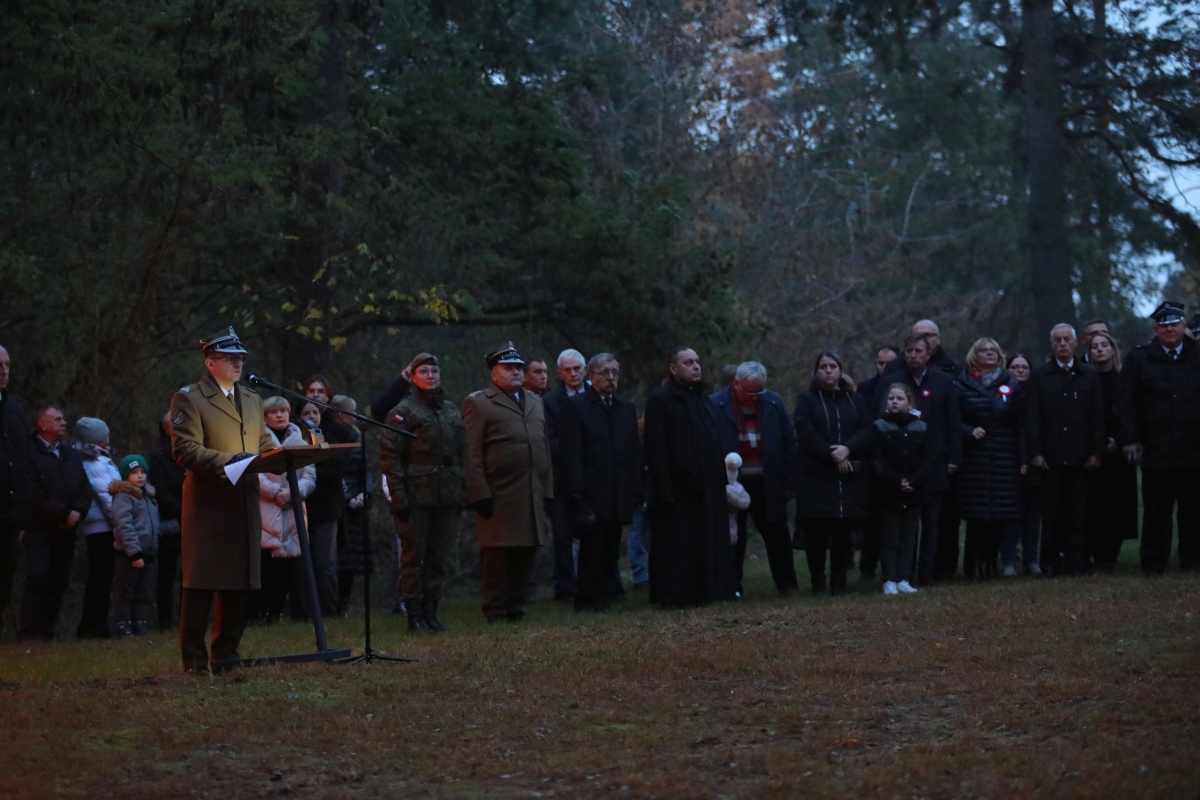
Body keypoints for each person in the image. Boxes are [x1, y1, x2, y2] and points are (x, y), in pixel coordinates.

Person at [170, 327, 275, 674]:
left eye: (241, 358)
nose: (238, 363)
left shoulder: (252, 399)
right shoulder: (190, 398)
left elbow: (262, 445)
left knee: (241, 582)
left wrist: (289, 452)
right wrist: (229, 461)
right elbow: (185, 449)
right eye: (230, 358)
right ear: (210, 362)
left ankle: (227, 656)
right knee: (201, 583)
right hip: (210, 503)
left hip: (244, 501)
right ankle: (195, 663)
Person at [462, 343, 553, 622]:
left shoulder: (535, 401)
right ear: (494, 374)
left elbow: (543, 447)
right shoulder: (479, 403)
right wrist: (479, 492)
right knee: (498, 555)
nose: (515, 372)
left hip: (530, 490)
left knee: (526, 551)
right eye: (508, 368)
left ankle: (515, 606)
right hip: (498, 492)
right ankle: (495, 609)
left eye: (518, 368)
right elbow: (472, 453)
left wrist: (547, 489)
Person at [380, 352, 468, 633]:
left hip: (448, 494)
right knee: (414, 558)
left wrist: (463, 490)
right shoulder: (403, 411)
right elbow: (390, 457)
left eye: (434, 371)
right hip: (416, 495)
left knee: (438, 557)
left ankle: (432, 613)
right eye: (424, 372)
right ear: (413, 377)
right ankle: (414, 616)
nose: (431, 376)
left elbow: (463, 453)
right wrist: (399, 497)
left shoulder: (452, 410)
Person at [644, 347, 734, 606]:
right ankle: (676, 595)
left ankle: (708, 590)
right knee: (679, 545)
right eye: (688, 362)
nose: (696, 366)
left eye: (697, 361)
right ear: (673, 369)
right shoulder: (661, 401)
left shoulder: (702, 398)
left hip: (707, 487)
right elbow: (656, 449)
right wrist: (665, 489)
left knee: (706, 540)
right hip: (678, 489)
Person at [1117, 301, 1200, 577]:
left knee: (1194, 511)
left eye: (1175, 324)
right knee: (1156, 512)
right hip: (1156, 448)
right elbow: (1125, 403)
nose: (1170, 330)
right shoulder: (1139, 359)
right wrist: (1129, 439)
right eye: (1164, 326)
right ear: (1156, 329)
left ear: (1184, 327)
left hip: (1193, 448)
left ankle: (1192, 561)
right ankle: (1154, 563)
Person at [874, 334, 962, 586]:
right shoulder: (891, 381)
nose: (913, 355)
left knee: (931, 521)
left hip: (931, 463)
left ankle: (927, 570)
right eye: (909, 350)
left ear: (929, 354)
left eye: (918, 351)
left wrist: (954, 456)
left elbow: (953, 421)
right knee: (898, 526)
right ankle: (899, 574)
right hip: (897, 464)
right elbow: (877, 414)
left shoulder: (943, 381)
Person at [561, 353, 644, 612]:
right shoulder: (577, 407)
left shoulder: (625, 408)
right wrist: (577, 494)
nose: (610, 377)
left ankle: (608, 594)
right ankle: (587, 599)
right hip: (591, 491)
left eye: (614, 372)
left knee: (611, 546)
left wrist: (636, 488)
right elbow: (571, 453)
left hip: (619, 490)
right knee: (592, 547)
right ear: (591, 375)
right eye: (605, 372)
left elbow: (633, 451)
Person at [710, 361, 798, 597]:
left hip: (768, 481)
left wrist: (789, 484)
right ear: (735, 384)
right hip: (732, 483)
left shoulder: (773, 402)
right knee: (733, 538)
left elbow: (789, 443)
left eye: (759, 390)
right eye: (749, 391)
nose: (754, 396)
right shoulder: (716, 404)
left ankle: (787, 585)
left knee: (778, 535)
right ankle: (731, 587)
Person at [1025, 324, 1105, 577]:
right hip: (1050, 457)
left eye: (1066, 339)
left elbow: (1097, 417)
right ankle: (1049, 564)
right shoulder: (1039, 375)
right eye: (1057, 339)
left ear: (1075, 343)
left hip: (1082, 456)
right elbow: (1033, 416)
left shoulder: (1089, 375)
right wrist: (1036, 452)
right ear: (1051, 344)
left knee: (1078, 514)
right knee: (1050, 515)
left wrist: (1096, 452)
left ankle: (1076, 563)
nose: (1062, 343)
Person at [793, 352, 872, 596]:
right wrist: (832, 455)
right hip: (817, 474)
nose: (828, 371)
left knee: (842, 531)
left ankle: (839, 583)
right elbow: (805, 429)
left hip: (848, 477)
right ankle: (818, 583)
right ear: (816, 372)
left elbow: (867, 428)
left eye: (833, 366)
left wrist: (848, 449)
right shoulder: (807, 399)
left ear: (841, 370)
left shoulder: (855, 401)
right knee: (816, 531)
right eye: (823, 367)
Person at [953, 338, 1027, 580]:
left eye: (994, 350)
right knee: (976, 518)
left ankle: (990, 565)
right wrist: (968, 431)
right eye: (984, 350)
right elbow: (952, 419)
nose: (989, 354)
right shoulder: (961, 384)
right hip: (974, 460)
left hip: (1004, 459)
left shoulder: (1011, 386)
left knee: (999, 516)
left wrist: (1023, 458)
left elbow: (1021, 426)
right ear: (974, 355)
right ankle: (973, 567)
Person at [20, 406, 90, 640]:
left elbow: (84, 487)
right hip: (38, 528)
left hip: (67, 532)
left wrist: (78, 512)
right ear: (43, 424)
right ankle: (28, 632)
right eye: (58, 419)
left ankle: (46, 632)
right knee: (37, 576)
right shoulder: (28, 453)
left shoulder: (70, 454)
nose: (64, 422)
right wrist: (63, 514)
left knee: (59, 581)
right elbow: (31, 491)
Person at [252, 396, 315, 625]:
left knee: (290, 566)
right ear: (265, 417)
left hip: (293, 509)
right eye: (274, 412)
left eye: (284, 411)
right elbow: (254, 472)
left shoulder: (302, 442)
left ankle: (284, 612)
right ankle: (262, 612)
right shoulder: (257, 440)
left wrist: (293, 493)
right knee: (267, 564)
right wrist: (276, 492)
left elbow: (310, 476)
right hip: (267, 508)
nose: (279, 415)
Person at [871, 383, 936, 595]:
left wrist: (913, 481)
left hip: (914, 490)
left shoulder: (921, 427)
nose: (894, 402)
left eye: (899, 398)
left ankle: (904, 578)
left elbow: (928, 460)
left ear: (910, 403)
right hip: (888, 490)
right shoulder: (879, 426)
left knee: (909, 537)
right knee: (890, 537)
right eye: (891, 398)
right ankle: (889, 578)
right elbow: (877, 461)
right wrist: (896, 480)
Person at [297, 375, 350, 616]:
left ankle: (328, 611)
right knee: (300, 562)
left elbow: (337, 467)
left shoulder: (337, 430)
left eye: (320, 391)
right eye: (310, 390)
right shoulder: (293, 431)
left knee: (324, 562)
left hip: (327, 505)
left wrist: (312, 472)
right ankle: (301, 612)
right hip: (297, 505)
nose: (315, 395)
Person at [1085, 332, 1138, 569]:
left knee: (1116, 503)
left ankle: (1110, 555)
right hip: (1090, 453)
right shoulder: (1084, 381)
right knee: (1091, 503)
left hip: (1118, 453)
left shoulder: (1123, 380)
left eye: (1104, 345)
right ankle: (1091, 551)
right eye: (1094, 346)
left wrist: (1119, 439)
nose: (1099, 350)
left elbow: (1129, 413)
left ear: (1113, 350)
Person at [541, 348, 587, 602]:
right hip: (561, 479)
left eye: (576, 368)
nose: (573, 374)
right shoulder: (550, 401)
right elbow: (550, 439)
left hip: (591, 478)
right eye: (567, 370)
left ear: (585, 370)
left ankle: (594, 582)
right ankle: (565, 588)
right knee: (562, 536)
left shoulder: (594, 395)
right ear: (559, 373)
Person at [74, 416, 121, 638]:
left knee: (102, 577)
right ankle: (92, 626)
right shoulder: (93, 462)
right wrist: (120, 522)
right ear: (97, 437)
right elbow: (107, 495)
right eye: (105, 433)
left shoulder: (99, 458)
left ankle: (97, 624)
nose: (109, 436)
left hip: (104, 525)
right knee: (100, 578)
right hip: (102, 527)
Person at [108, 454, 161, 637]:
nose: (140, 476)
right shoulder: (123, 497)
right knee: (126, 590)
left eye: (142, 472)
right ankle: (122, 624)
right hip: (130, 555)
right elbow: (124, 526)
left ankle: (140, 622)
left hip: (149, 554)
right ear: (125, 476)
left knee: (144, 591)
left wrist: (176, 525)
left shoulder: (149, 497)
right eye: (134, 472)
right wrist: (134, 553)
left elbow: (153, 525)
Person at [1001, 355, 1043, 577]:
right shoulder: (1002, 393)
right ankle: (1008, 560)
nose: (1019, 370)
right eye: (1014, 367)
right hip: (1009, 460)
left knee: (1033, 515)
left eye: (1024, 367)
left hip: (1035, 461)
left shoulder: (1038, 392)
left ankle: (1031, 559)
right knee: (1011, 515)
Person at [0, 344, 32, 633]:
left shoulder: (13, 408)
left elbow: (22, 462)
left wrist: (21, 516)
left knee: (3, 591)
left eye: (8, 364)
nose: (4, 370)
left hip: (11, 517)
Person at [332, 394, 371, 617]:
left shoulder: (357, 436)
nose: (356, 416)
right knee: (338, 558)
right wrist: (348, 497)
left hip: (358, 504)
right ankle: (333, 603)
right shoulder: (333, 436)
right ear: (340, 414)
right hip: (341, 505)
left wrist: (366, 493)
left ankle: (345, 603)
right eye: (352, 412)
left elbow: (366, 468)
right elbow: (337, 473)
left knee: (353, 561)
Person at [149, 411, 186, 631]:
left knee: (190, 575)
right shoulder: (158, 455)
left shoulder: (193, 450)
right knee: (167, 575)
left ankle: (187, 619)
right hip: (170, 522)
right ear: (165, 427)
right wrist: (182, 509)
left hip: (193, 521)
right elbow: (157, 488)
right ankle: (165, 623)